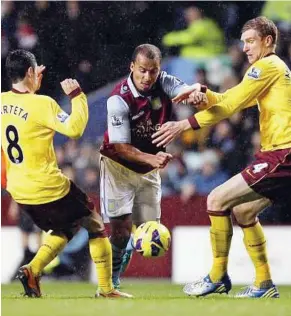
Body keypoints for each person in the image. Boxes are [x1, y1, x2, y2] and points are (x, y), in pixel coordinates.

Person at [152, 16, 291, 298]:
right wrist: (203, 93)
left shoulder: (267, 66)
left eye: (251, 41)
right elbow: (231, 98)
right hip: (279, 153)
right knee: (243, 211)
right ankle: (263, 283)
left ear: (268, 41)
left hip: (282, 152)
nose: (245, 48)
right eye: (242, 42)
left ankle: (216, 276)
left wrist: (182, 125)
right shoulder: (271, 70)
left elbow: (229, 105)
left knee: (216, 199)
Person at [1, 49, 131, 298]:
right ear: (31, 72)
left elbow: (22, 114)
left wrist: (31, 89)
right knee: (94, 222)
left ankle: (33, 269)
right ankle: (106, 289)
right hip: (48, 185)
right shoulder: (44, 104)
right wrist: (77, 96)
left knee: (69, 226)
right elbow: (75, 128)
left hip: (19, 190)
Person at [100, 43, 197, 288]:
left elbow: (181, 87)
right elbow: (120, 146)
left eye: (152, 71)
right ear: (132, 67)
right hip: (117, 166)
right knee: (121, 230)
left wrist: (193, 92)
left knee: (149, 228)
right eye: (142, 70)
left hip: (148, 168)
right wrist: (152, 158)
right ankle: (111, 282)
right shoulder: (118, 100)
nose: (147, 77)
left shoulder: (161, 81)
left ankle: (125, 254)